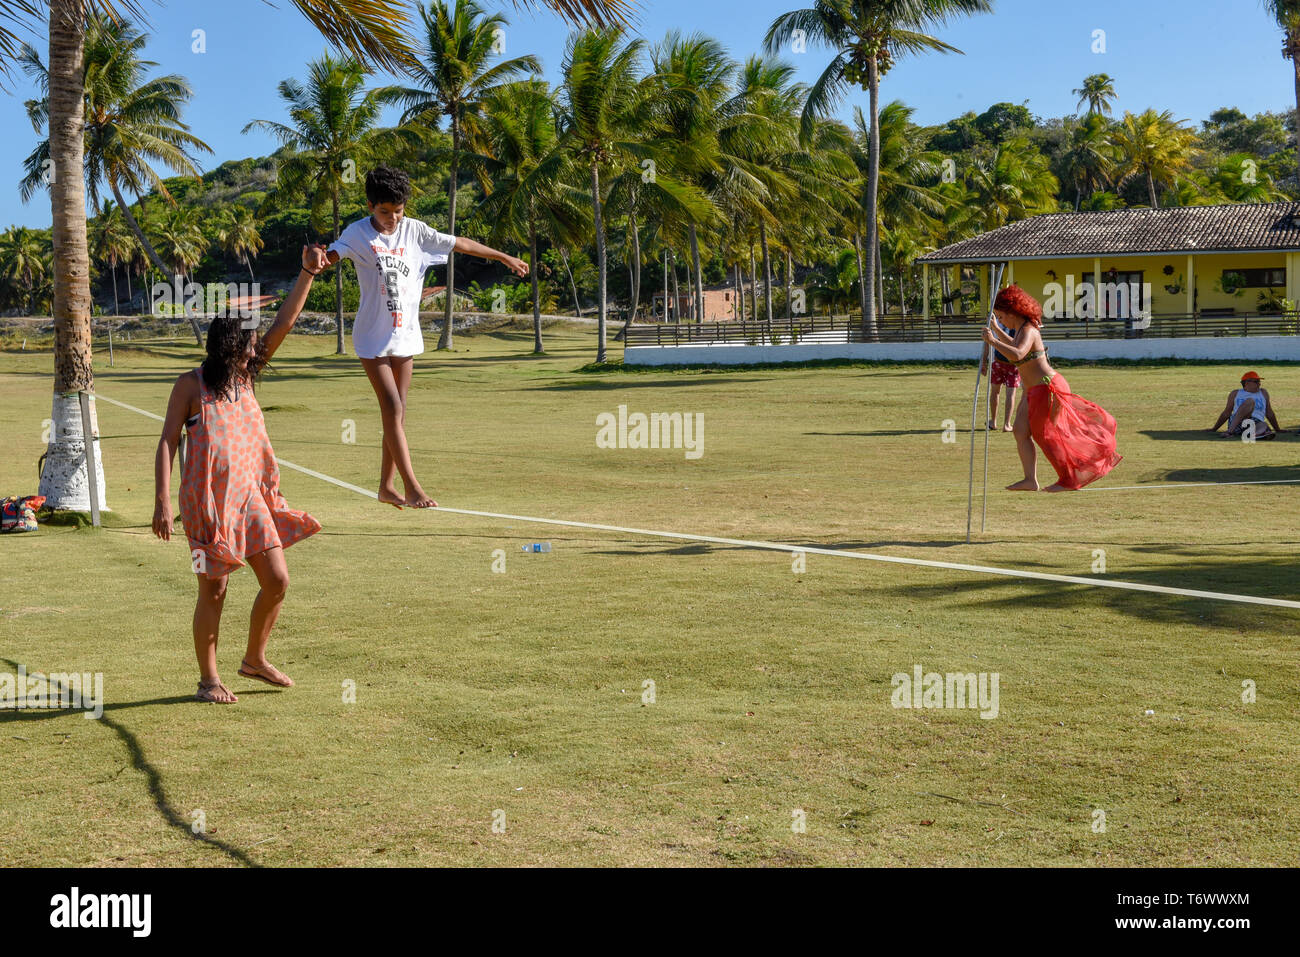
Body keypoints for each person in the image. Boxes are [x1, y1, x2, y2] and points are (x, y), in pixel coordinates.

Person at [152, 247, 324, 703]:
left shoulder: (245, 378)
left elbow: (283, 322)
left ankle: (254, 659)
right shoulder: (191, 386)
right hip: (206, 504)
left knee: (278, 580)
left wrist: (306, 271)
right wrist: (163, 502)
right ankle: (208, 681)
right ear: (232, 347)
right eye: (249, 344)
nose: (256, 349)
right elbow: (168, 441)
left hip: (250, 499)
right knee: (214, 590)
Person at [309, 164, 529, 509]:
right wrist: (320, 259)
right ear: (370, 206)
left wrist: (504, 257)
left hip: (406, 335)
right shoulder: (357, 233)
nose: (392, 219)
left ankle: (385, 486)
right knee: (392, 407)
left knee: (398, 413)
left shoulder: (416, 231)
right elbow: (333, 255)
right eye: (384, 212)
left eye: (398, 211)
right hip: (371, 338)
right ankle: (412, 487)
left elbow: (461, 244)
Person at [981, 284, 1122, 492]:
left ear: (1013, 312)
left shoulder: (1029, 329)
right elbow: (1015, 346)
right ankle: (1030, 480)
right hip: (1032, 390)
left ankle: (1069, 479)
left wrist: (993, 341)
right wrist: (996, 330)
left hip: (1047, 387)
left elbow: (1017, 354)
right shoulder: (1020, 330)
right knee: (1020, 431)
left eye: (1002, 317)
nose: (1002, 321)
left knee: (1046, 435)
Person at [1208, 372, 1282, 440]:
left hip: (1255, 423)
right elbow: (1226, 413)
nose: (1259, 384)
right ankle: (1229, 432)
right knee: (1250, 401)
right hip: (1236, 422)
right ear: (1247, 383)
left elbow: (1269, 413)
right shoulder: (1236, 393)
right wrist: (1214, 429)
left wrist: (1278, 429)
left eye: (1259, 382)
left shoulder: (1263, 392)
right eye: (1256, 382)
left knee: (1264, 424)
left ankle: (1255, 434)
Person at [981, 319, 1020, 431]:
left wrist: (984, 361)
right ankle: (1002, 423)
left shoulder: (998, 321)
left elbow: (988, 343)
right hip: (1006, 363)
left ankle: (999, 422)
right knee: (1004, 393)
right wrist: (984, 361)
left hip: (1005, 363)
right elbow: (987, 343)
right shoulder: (1010, 322)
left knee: (1001, 393)